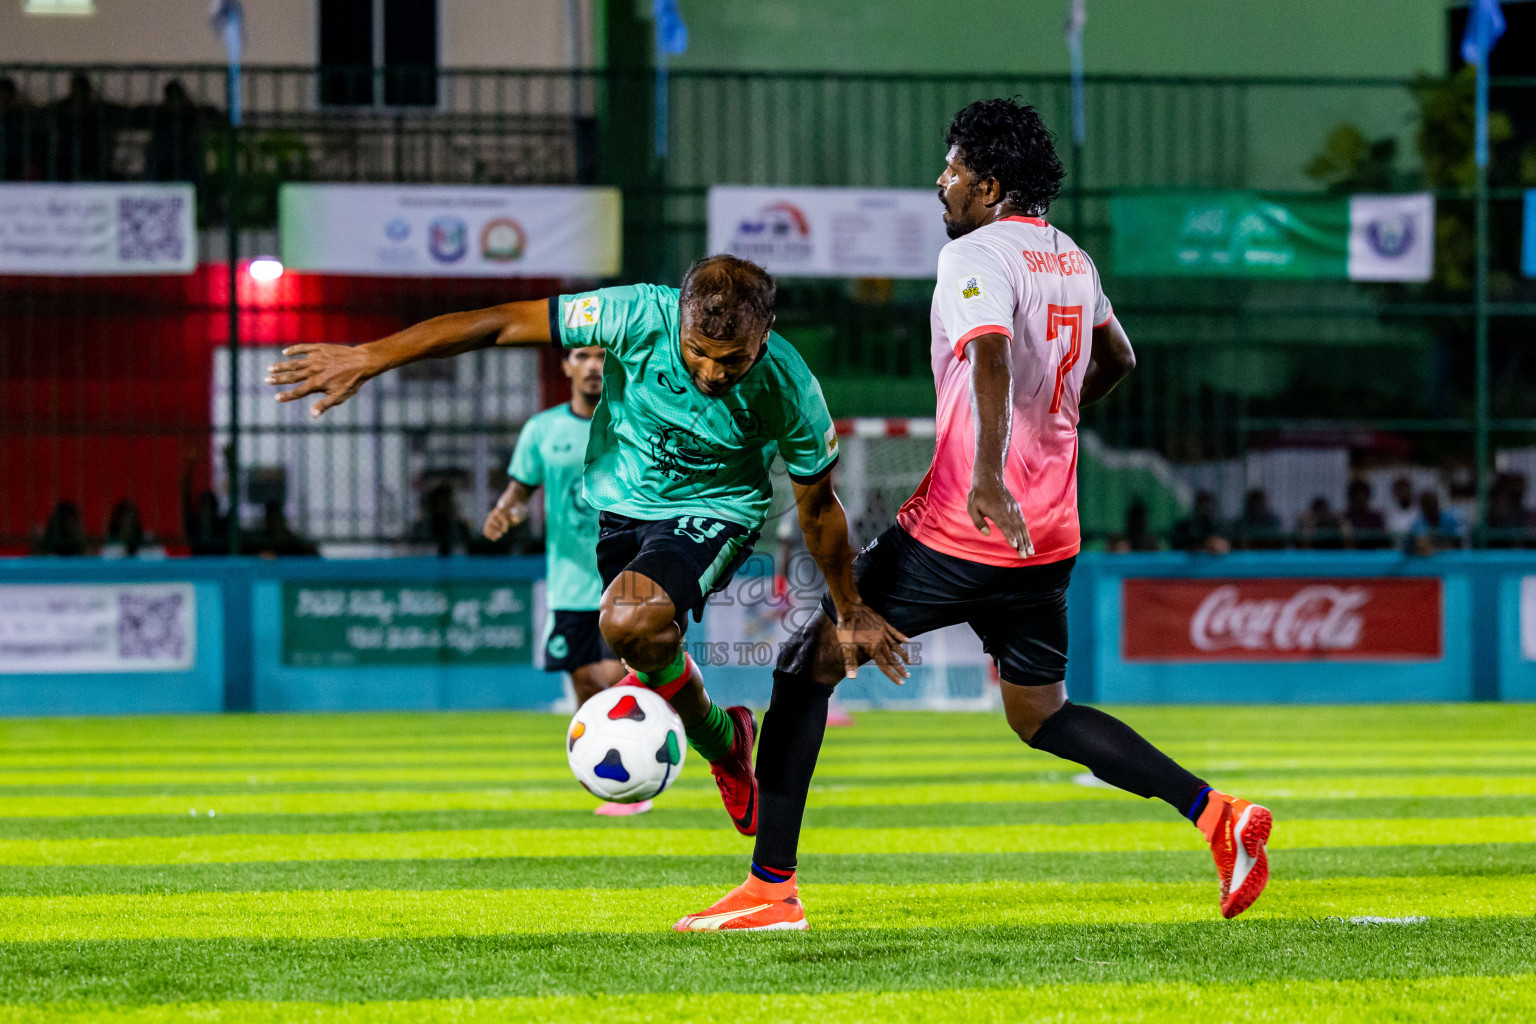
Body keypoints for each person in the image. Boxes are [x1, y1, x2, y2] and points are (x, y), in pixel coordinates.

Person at [676, 100, 1271, 932]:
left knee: (802, 667)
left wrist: (990, 472)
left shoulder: (976, 255)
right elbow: (1118, 359)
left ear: (989, 186)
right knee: (1042, 715)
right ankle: (1218, 816)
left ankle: (771, 888)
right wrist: (1049, 423)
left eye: (952, 168)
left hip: (960, 528)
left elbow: (989, 352)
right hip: (1048, 538)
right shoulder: (1072, 258)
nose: (940, 181)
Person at [265, 254, 907, 835]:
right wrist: (371, 357)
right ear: (677, 318)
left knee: (630, 621)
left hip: (715, 512)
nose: (712, 372)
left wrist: (848, 607)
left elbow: (818, 507)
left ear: (763, 337)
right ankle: (726, 740)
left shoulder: (791, 387)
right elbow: (498, 324)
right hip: (618, 504)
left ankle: (720, 743)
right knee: (643, 642)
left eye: (732, 358)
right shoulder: (633, 314)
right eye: (697, 352)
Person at [482, 344, 643, 815]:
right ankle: (608, 780)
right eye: (582, 355)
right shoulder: (542, 430)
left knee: (613, 679)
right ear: (567, 367)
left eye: (601, 356)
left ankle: (633, 784)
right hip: (568, 583)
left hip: (622, 578)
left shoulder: (630, 424)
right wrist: (504, 511)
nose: (593, 365)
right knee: (586, 687)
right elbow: (521, 488)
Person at [1407, 489, 1464, 554]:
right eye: (1427, 506)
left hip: (1450, 556)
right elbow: (1413, 542)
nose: (1430, 507)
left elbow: (1459, 539)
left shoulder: (1449, 520)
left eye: (1432, 504)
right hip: (1428, 558)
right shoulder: (1418, 524)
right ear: (1423, 508)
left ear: (1436, 504)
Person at [1342, 479, 1389, 550]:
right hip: (1351, 557)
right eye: (1357, 498)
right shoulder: (1345, 518)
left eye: (1363, 497)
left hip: (1374, 556)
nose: (1360, 501)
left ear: (1368, 497)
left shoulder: (1376, 518)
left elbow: (1383, 541)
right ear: (1351, 498)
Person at [1384, 475, 1418, 539]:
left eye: (1405, 489)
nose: (1403, 493)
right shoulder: (1389, 513)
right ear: (1395, 492)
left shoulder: (1418, 512)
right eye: (1400, 490)